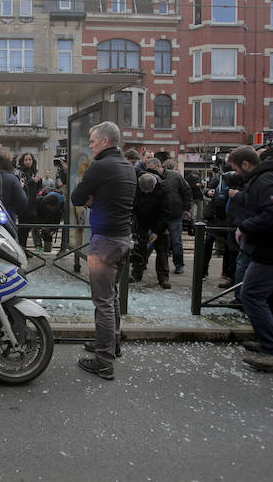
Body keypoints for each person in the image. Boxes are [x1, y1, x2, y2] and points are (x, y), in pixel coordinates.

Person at [71, 121, 136, 380]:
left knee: (103, 302)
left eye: (93, 140)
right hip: (123, 239)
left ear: (105, 141)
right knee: (113, 296)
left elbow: (76, 198)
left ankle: (104, 361)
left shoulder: (100, 166)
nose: (90, 144)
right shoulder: (127, 167)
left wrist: (91, 197)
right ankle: (111, 344)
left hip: (105, 242)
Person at [227, 145, 273, 372]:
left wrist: (245, 226)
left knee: (251, 294)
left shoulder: (266, 180)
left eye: (236, 169)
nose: (236, 174)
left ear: (246, 165)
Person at [145, 158, 191, 274]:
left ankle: (179, 264)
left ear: (158, 166)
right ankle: (142, 261)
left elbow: (186, 191)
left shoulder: (175, 176)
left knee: (176, 241)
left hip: (174, 214)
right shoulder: (151, 178)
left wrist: (186, 209)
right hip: (158, 215)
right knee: (151, 240)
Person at [130, 172, 171, 288]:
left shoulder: (163, 189)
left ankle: (163, 277)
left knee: (162, 250)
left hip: (158, 220)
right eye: (144, 190)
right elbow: (133, 205)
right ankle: (136, 274)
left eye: (148, 191)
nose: (145, 192)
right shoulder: (137, 188)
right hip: (142, 220)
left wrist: (157, 232)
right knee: (139, 247)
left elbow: (165, 213)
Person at [16, 152, 43, 254]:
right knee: (22, 228)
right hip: (24, 204)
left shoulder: (33, 172)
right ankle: (21, 250)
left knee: (27, 228)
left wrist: (39, 181)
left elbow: (37, 189)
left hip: (32, 204)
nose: (28, 162)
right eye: (26, 160)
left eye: (30, 159)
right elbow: (21, 186)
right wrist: (32, 181)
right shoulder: (20, 172)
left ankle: (24, 249)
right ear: (23, 161)